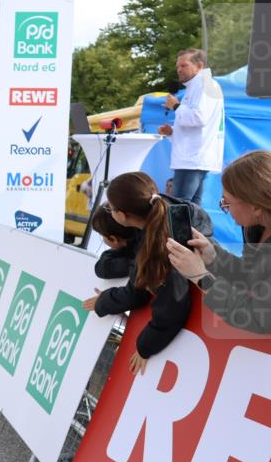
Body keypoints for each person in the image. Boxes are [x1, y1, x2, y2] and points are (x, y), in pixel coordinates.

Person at [82, 172, 192, 375]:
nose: (110, 211)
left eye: (111, 208)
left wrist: (145, 347)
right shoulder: (168, 215)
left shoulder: (157, 250)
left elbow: (156, 300)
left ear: (122, 216)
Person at [167, 150, 271, 334]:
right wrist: (214, 257)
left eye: (227, 202)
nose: (225, 208)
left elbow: (258, 318)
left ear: (255, 207)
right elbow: (252, 277)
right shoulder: (256, 228)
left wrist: (201, 277)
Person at [158, 49, 225, 206]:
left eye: (184, 65)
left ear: (200, 65)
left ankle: (180, 232)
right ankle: (193, 231)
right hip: (192, 157)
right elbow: (195, 126)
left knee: (179, 206)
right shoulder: (196, 86)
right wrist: (171, 132)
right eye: (177, 66)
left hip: (192, 159)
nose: (179, 69)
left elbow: (199, 118)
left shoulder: (206, 85)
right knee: (191, 207)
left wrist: (176, 106)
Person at [90, 203, 139, 279]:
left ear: (113, 239)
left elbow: (102, 268)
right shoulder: (138, 239)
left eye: (102, 236)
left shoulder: (139, 257)